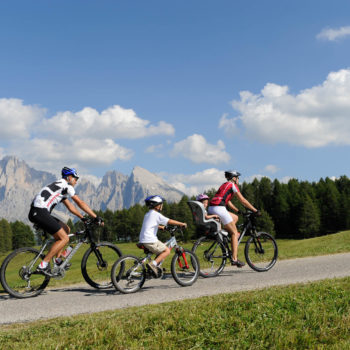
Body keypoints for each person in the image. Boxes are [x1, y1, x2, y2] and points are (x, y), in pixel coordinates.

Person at [28, 167, 103, 275]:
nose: (76, 181)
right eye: (75, 178)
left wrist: (82, 218)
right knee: (65, 238)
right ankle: (43, 265)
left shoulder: (59, 186)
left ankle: (58, 260)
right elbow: (79, 202)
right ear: (68, 177)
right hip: (40, 212)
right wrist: (96, 217)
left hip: (37, 212)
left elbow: (70, 207)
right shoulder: (67, 186)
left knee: (66, 229)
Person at [208, 170, 260, 268]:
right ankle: (234, 259)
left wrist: (238, 211)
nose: (238, 180)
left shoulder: (224, 185)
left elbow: (227, 202)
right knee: (234, 233)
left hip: (212, 208)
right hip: (219, 208)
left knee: (235, 217)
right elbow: (243, 200)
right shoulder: (233, 185)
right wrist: (255, 210)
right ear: (234, 178)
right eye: (238, 178)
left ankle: (225, 236)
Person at [139, 195, 187, 276]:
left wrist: (161, 227)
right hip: (150, 240)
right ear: (157, 205)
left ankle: (154, 267)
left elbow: (151, 224)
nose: (162, 206)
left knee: (160, 249)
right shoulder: (156, 214)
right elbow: (169, 221)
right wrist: (181, 223)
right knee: (166, 250)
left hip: (142, 240)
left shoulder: (147, 214)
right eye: (161, 204)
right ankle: (153, 264)